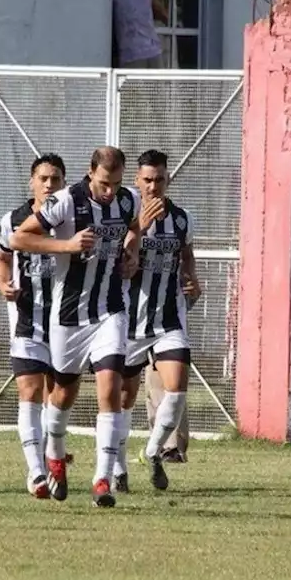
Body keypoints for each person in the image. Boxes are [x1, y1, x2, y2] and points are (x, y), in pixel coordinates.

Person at [9, 146, 141, 508]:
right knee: (63, 395)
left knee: (110, 386)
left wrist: (132, 253)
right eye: (103, 184)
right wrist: (65, 244)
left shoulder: (129, 200)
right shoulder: (67, 201)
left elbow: (133, 230)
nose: (110, 192)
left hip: (110, 309)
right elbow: (19, 237)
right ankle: (55, 451)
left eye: (115, 184)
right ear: (90, 172)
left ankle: (103, 479)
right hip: (69, 314)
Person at [115, 150, 200, 493]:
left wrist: (191, 279)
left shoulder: (181, 219)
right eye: (147, 179)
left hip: (168, 318)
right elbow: (122, 263)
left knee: (177, 389)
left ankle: (153, 452)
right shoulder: (124, 216)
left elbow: (187, 258)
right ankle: (118, 468)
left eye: (159, 179)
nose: (153, 186)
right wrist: (140, 227)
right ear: (137, 180)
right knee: (123, 399)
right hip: (129, 321)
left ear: (167, 180)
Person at [0, 153, 66, 499]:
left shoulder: (72, 218)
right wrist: (3, 283)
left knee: (59, 396)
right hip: (28, 320)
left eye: (55, 179)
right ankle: (36, 473)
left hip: (67, 322)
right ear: (32, 182)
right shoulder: (12, 220)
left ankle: (52, 455)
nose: (49, 185)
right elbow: (2, 258)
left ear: (64, 183)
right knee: (29, 391)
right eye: (43, 178)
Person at [112, 0, 167, 68]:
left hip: (131, 54)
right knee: (156, 86)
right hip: (153, 51)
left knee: (132, 86)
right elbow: (164, 15)